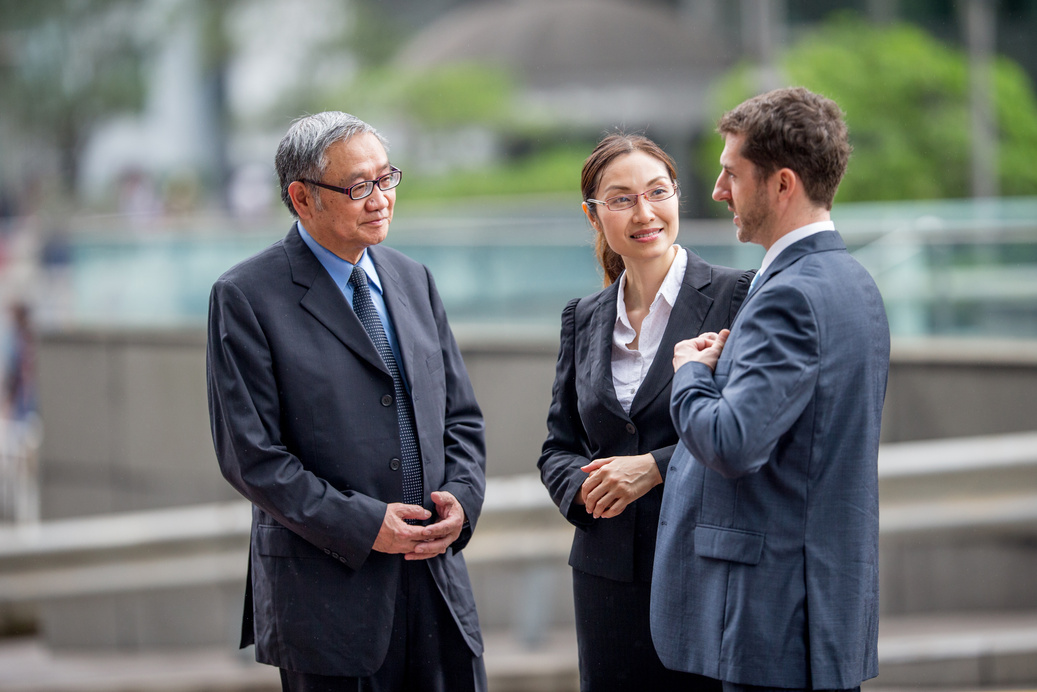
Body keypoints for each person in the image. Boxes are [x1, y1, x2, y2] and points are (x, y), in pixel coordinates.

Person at [207, 111, 487, 692]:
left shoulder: (414, 279)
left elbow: (459, 417)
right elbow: (253, 458)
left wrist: (461, 499)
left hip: (437, 587)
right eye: (359, 186)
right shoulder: (246, 297)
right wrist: (365, 525)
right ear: (302, 198)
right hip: (328, 600)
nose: (380, 199)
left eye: (387, 179)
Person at [651, 87, 890, 692]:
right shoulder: (852, 282)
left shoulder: (788, 294)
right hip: (817, 611)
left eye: (732, 174)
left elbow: (733, 444)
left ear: (782, 184)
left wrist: (690, 375)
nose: (717, 191)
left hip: (770, 620)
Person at [538, 133, 754, 691]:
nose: (644, 212)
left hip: (702, 568)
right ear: (593, 215)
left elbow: (749, 429)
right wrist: (583, 489)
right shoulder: (583, 317)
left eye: (658, 192)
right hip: (606, 575)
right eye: (621, 198)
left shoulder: (737, 295)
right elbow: (558, 446)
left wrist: (654, 466)